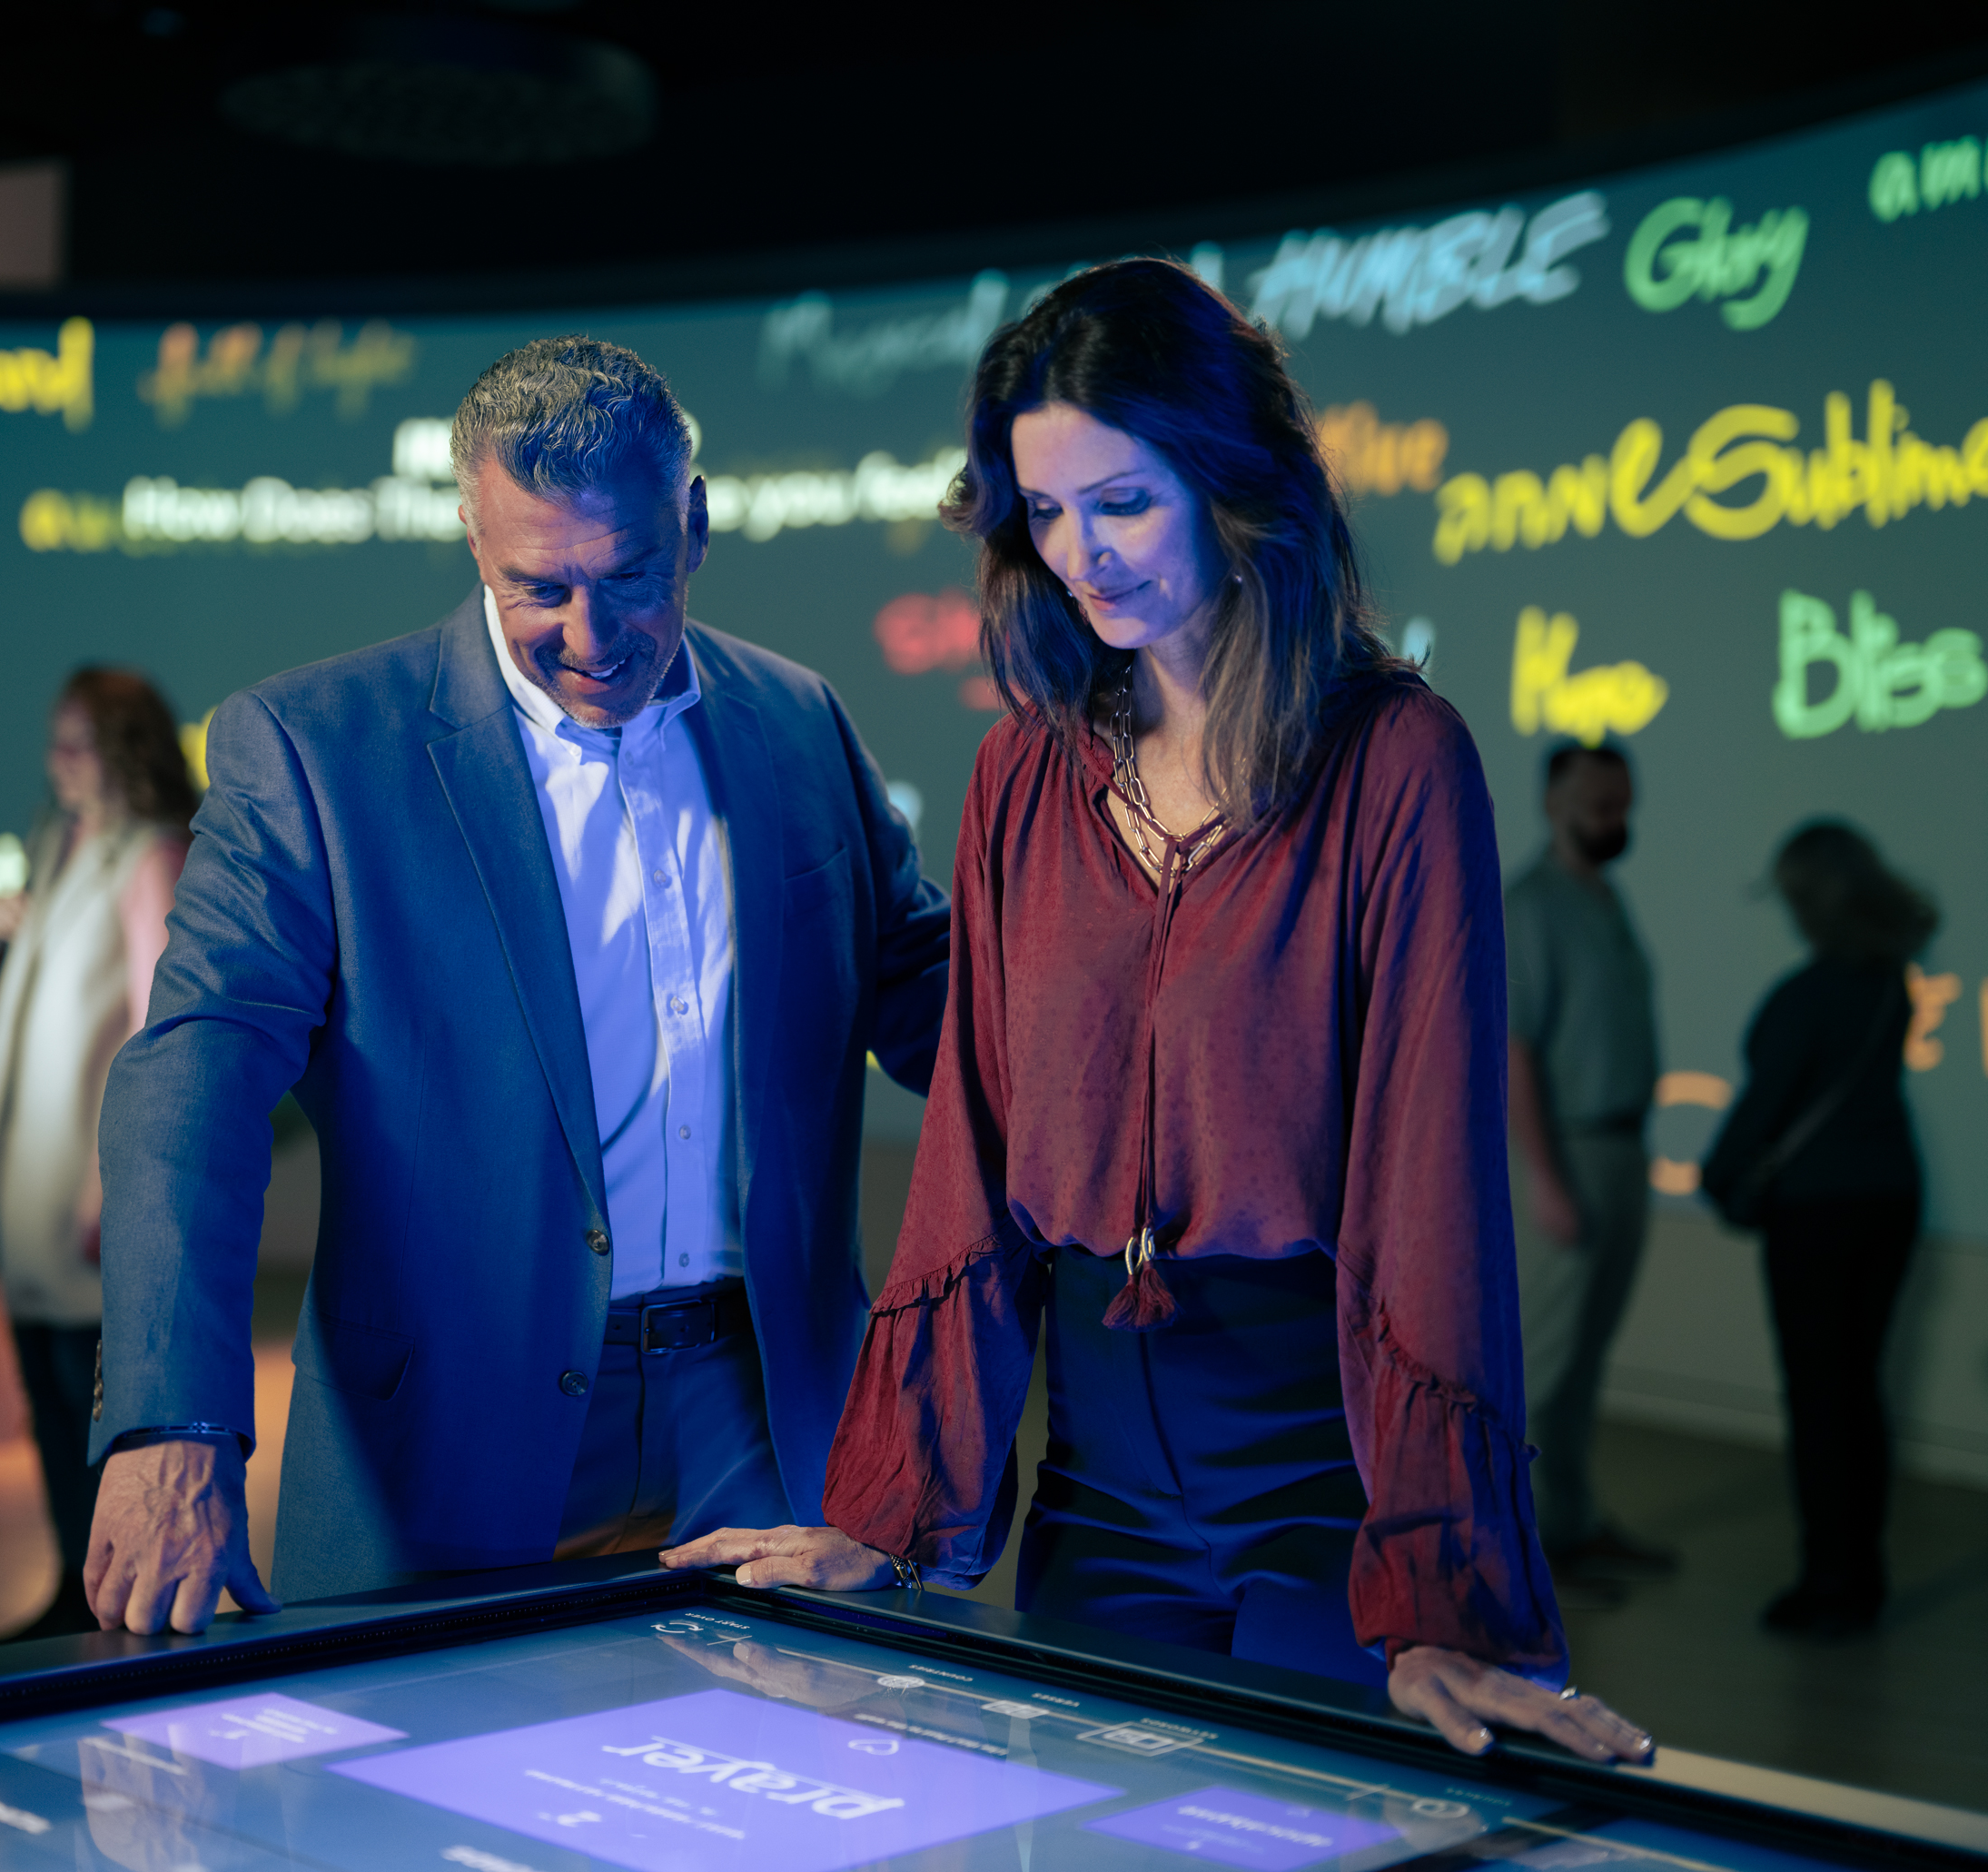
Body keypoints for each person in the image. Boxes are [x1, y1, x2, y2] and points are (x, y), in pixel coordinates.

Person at [666, 259, 1651, 1768]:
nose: (1080, 555)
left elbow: (1429, 1196)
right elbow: (970, 1171)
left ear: (1230, 472)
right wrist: (886, 1509)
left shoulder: (1400, 761)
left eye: (1119, 501)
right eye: (1046, 513)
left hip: (1327, 1492)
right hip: (1096, 1493)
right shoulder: (1020, 777)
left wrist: (1447, 1587)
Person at [83, 336, 951, 1633]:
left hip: (764, 1414)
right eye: (535, 587)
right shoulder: (313, 748)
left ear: (695, 522)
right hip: (445, 1431)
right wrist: (175, 1417)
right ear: (468, 535)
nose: (589, 637)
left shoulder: (801, 719)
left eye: (629, 577)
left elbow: (925, 993)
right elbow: (190, 1077)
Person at [0, 668, 197, 1641]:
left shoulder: (148, 856)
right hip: (28, 1182)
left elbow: (158, 1026)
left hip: (85, 1185)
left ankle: (107, 1602)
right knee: (50, 1401)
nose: (59, 762)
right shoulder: (59, 848)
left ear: (125, 746)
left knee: (88, 1397)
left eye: (79, 742)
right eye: (55, 741)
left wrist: (120, 1184)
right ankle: (75, 1582)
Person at [1702, 822, 1933, 1639]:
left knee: (1818, 1393)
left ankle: (1829, 1579)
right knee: (1859, 1387)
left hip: (1818, 1212)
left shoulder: (1804, 998)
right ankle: (1860, 1569)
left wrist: (1713, 1177)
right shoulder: (1889, 983)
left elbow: (1762, 1110)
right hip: (1893, 1197)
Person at [1502, 744, 1676, 1594]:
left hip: (1615, 1148)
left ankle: (1569, 1526)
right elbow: (1514, 1050)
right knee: (1545, 1361)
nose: (1617, 819)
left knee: (1585, 1356)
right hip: (1565, 1152)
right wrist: (1544, 1177)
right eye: (1601, 803)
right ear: (1554, 802)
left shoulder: (1605, 898)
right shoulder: (1533, 907)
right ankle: (1521, 1546)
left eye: (1623, 802)